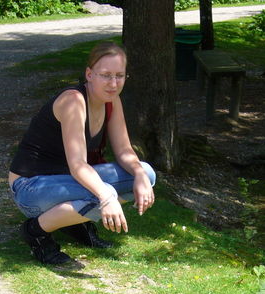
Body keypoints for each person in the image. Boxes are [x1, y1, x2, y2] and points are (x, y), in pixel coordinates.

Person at [8, 41, 156, 264]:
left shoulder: (112, 100)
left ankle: (74, 222)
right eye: (105, 75)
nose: (113, 83)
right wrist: (107, 197)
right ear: (89, 74)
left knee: (146, 173)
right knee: (102, 191)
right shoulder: (73, 101)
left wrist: (141, 176)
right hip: (31, 188)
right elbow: (78, 164)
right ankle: (35, 231)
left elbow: (125, 150)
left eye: (119, 75)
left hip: (67, 181)